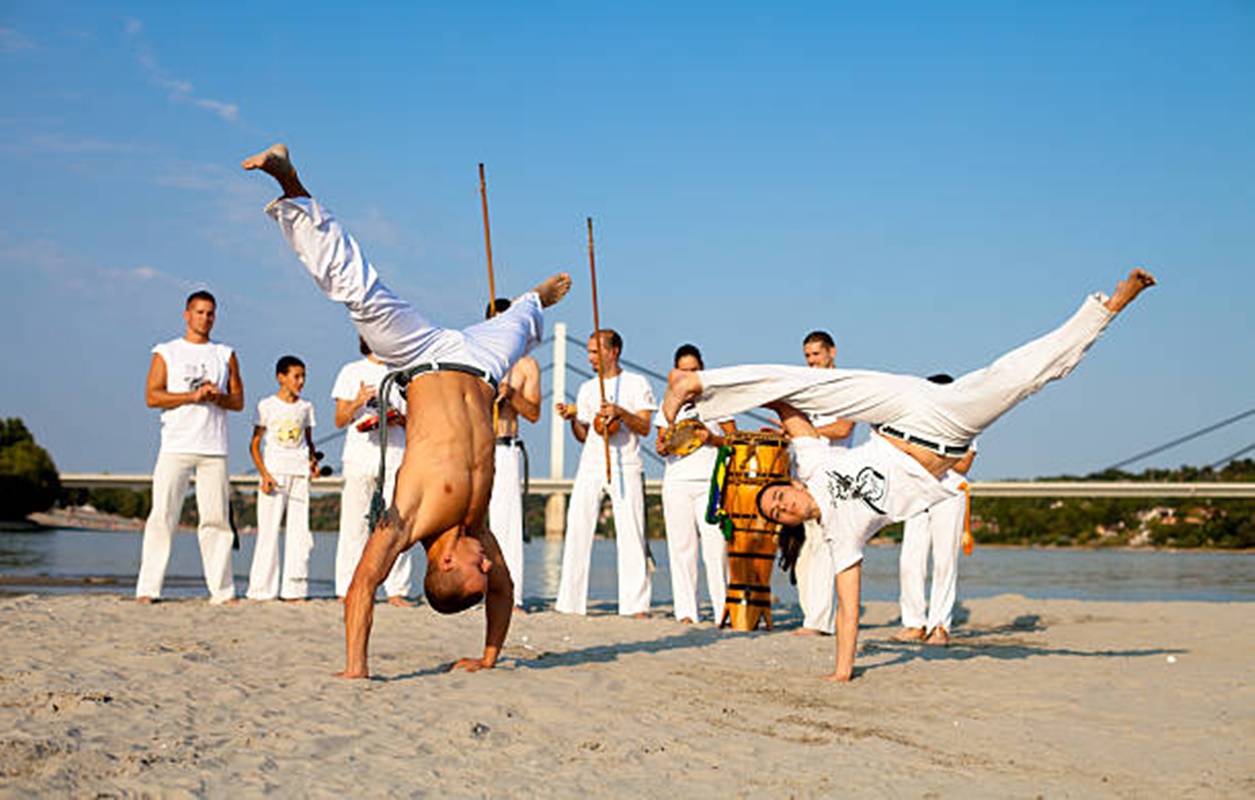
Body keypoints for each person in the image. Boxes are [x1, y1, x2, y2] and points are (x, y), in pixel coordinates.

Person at [662, 268, 1156, 681]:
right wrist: (842, 671)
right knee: (1020, 378)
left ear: (790, 485)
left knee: (811, 384)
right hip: (945, 428)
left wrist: (737, 398)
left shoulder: (811, 465)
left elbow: (789, 404)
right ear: (789, 523)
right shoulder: (839, 535)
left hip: (902, 408)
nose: (782, 506)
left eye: (777, 497)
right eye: (778, 514)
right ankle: (1109, 309)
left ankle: (694, 381)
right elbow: (849, 609)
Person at [243, 144, 571, 677]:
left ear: (446, 562)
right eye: (487, 566)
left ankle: (290, 184)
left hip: (418, 355)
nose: (489, 562)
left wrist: (356, 668)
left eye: (478, 568)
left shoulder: (409, 517)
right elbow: (505, 590)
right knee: (519, 325)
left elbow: (362, 584)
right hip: (481, 365)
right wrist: (488, 657)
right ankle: (531, 303)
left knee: (357, 291)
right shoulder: (476, 528)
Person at [136, 289, 244, 604]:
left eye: (210, 313)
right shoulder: (166, 352)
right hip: (176, 445)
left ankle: (223, 591)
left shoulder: (225, 354)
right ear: (187, 315)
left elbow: (238, 401)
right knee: (162, 516)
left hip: (214, 447)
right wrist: (192, 396)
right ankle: (148, 589)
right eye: (199, 312)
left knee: (216, 521)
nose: (205, 318)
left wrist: (217, 397)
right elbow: (152, 396)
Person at [554, 329, 656, 617]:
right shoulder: (587, 388)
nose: (590, 357)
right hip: (591, 464)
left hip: (626, 464)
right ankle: (570, 603)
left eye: (595, 352)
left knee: (631, 533)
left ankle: (635, 606)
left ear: (614, 351)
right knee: (577, 529)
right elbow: (583, 435)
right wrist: (573, 418)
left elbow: (645, 428)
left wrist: (621, 412)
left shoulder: (636, 383)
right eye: (588, 351)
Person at [331, 337, 415, 606]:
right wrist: (357, 401)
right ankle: (347, 587)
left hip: (395, 454)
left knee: (396, 522)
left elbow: (415, 418)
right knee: (354, 523)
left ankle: (396, 589)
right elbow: (340, 419)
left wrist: (398, 417)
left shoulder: (402, 373)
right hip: (359, 456)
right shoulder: (351, 371)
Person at [654, 344, 735, 624]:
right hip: (676, 482)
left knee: (716, 550)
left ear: (702, 370)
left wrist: (711, 439)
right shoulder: (667, 403)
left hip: (710, 483)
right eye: (683, 370)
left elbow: (734, 440)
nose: (687, 375)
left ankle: (723, 610)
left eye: (693, 370)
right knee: (681, 549)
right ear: (674, 372)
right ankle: (687, 611)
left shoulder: (717, 400)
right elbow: (662, 441)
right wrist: (662, 446)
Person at [793, 330, 856, 637]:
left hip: (833, 475)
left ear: (832, 352)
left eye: (816, 354)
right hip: (805, 475)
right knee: (804, 554)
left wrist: (807, 432)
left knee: (823, 550)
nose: (811, 361)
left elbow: (844, 428)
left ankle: (818, 623)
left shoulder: (846, 386)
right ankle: (813, 618)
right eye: (807, 356)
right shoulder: (807, 390)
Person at [892, 431, 976, 647]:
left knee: (944, 562)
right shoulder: (919, 424)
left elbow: (964, 464)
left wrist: (923, 454)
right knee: (909, 561)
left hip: (950, 492)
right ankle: (914, 623)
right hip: (917, 492)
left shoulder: (964, 426)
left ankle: (939, 626)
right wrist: (937, 457)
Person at [486, 298, 542, 611]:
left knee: (507, 524)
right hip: (477, 445)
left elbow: (533, 413)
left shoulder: (526, 365)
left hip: (506, 447)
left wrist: (511, 395)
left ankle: (511, 595)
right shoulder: (477, 359)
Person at [246, 355, 318, 601]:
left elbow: (309, 442)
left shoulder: (306, 407)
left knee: (300, 533)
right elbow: (254, 444)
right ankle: (261, 590)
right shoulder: (266, 405)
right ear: (281, 377)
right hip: (274, 475)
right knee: (268, 532)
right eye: (296, 376)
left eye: (303, 376)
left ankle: (295, 590)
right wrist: (264, 474)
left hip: (300, 474)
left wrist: (313, 462)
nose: (301, 381)